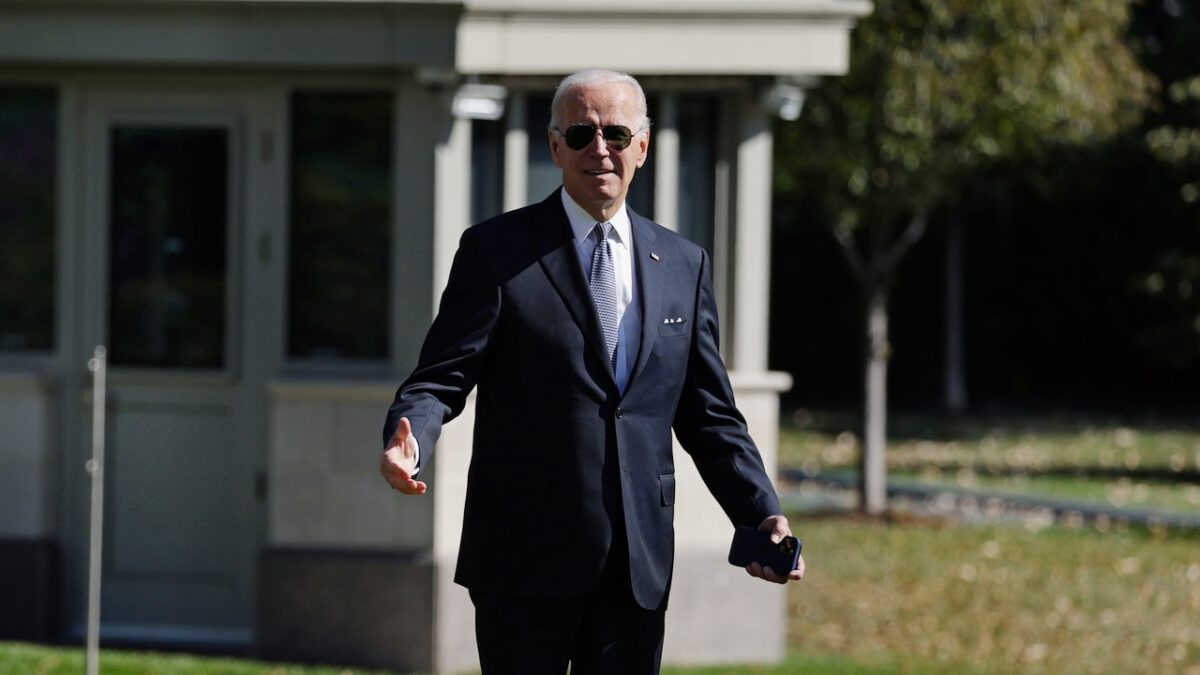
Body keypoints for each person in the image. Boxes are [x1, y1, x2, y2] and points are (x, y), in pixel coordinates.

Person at [381, 68, 804, 674]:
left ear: (643, 146)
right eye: (579, 134)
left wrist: (760, 512)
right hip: (523, 560)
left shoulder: (683, 264)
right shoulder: (497, 251)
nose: (598, 149)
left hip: (636, 565)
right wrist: (410, 435)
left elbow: (710, 414)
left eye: (614, 133)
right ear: (555, 147)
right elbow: (439, 377)